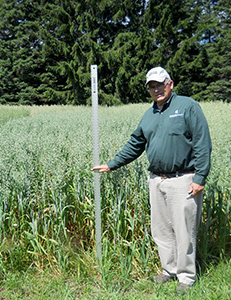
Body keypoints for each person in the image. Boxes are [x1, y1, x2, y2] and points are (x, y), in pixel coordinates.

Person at [91, 66, 212, 295]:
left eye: (160, 85)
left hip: (183, 179)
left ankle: (186, 278)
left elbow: (202, 142)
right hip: (156, 180)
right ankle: (169, 270)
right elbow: (135, 144)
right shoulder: (149, 114)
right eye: (152, 87)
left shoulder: (187, 106)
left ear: (170, 84)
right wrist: (111, 164)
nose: (156, 90)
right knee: (162, 230)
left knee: (184, 230)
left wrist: (200, 177)